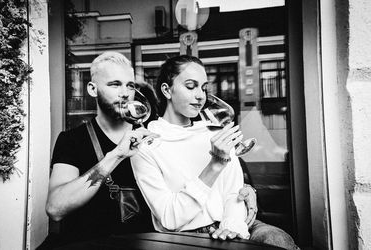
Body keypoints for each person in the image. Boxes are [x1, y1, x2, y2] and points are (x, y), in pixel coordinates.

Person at [39, 51, 259, 249]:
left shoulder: (153, 132)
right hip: (91, 242)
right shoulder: (73, 140)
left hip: (148, 241)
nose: (125, 93)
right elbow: (55, 208)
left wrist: (243, 190)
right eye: (115, 84)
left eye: (130, 85)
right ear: (92, 89)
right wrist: (115, 156)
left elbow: (191, 169)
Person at [131, 55, 300, 249]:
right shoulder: (147, 146)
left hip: (233, 223)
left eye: (203, 87)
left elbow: (234, 192)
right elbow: (170, 218)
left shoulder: (214, 133)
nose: (200, 95)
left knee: (278, 240)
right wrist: (215, 164)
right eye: (190, 86)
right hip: (186, 236)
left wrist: (232, 227)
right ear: (167, 90)